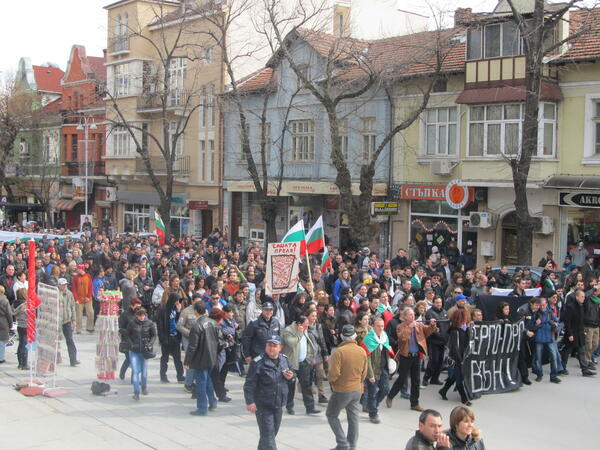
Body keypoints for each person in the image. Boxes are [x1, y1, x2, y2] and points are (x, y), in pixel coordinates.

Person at [244, 336, 294, 450]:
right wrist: (250, 401)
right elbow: (249, 384)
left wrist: (290, 377)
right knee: (268, 436)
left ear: (280, 348)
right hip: (263, 405)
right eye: (269, 345)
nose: (271, 348)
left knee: (271, 434)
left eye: (274, 346)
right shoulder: (258, 362)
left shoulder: (284, 360)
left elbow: (292, 376)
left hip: (279, 404)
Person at [386, 307, 438, 411]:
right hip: (406, 356)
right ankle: (390, 396)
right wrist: (410, 327)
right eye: (410, 315)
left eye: (413, 314)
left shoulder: (418, 325)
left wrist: (432, 325)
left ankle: (414, 403)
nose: (413, 316)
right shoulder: (400, 326)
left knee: (416, 380)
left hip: (416, 356)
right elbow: (402, 338)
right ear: (405, 316)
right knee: (401, 379)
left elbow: (428, 331)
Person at [326, 324, 368, 450]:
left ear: (342, 337)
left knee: (331, 414)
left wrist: (332, 383)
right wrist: (358, 382)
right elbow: (364, 373)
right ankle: (352, 444)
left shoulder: (339, 352)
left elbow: (333, 374)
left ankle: (342, 443)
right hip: (356, 389)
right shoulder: (361, 351)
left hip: (342, 390)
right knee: (353, 417)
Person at [185, 301, 222, 416]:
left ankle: (202, 407)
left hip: (200, 359)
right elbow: (220, 341)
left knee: (201, 382)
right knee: (208, 381)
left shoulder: (196, 326)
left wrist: (187, 361)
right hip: (212, 357)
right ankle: (212, 401)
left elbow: (192, 346)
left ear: (196, 311)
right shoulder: (213, 323)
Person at [282, 315, 320, 415]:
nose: (307, 328)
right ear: (299, 324)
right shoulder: (288, 330)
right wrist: (299, 333)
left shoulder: (305, 330)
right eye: (305, 326)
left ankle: (310, 407)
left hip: (304, 362)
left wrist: (309, 357)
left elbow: (308, 344)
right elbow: (291, 343)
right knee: (291, 385)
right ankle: (289, 406)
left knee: (306, 385)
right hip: (291, 363)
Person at [439, 309, 471, 405]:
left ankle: (443, 390)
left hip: (462, 356)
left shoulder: (464, 329)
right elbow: (455, 347)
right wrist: (460, 360)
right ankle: (464, 399)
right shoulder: (455, 331)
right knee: (459, 379)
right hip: (457, 358)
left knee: (454, 376)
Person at [363, 317, 392, 424]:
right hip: (373, 370)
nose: (380, 328)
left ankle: (373, 405)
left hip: (383, 368)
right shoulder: (368, 338)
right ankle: (373, 413)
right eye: (378, 326)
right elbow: (367, 358)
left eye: (382, 326)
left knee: (385, 389)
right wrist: (370, 374)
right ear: (373, 326)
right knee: (372, 393)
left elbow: (387, 350)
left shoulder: (384, 336)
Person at [560, 289, 596, 376]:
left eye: (584, 297)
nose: (583, 298)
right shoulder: (570, 306)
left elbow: (581, 321)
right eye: (582, 297)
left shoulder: (581, 306)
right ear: (577, 297)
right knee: (567, 350)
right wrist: (570, 334)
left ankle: (585, 370)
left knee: (581, 351)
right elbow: (567, 321)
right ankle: (562, 368)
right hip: (572, 333)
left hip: (579, 333)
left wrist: (583, 331)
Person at [124, 307, 157, 400]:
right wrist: (131, 344)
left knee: (144, 371)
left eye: (143, 315)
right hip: (134, 350)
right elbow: (127, 334)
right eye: (140, 315)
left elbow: (154, 335)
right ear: (136, 316)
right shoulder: (132, 323)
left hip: (145, 350)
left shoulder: (150, 323)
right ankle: (136, 391)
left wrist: (150, 344)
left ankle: (144, 386)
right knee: (135, 371)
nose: (142, 317)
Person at [177, 294, 204, 393]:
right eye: (196, 301)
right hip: (188, 338)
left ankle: (196, 382)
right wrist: (190, 333)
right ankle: (188, 383)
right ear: (192, 301)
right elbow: (179, 326)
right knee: (190, 360)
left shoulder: (203, 310)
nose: (198, 303)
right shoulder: (185, 312)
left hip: (200, 338)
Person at [156, 293, 184, 383]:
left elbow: (180, 322)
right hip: (166, 337)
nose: (178, 303)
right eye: (176, 301)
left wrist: (179, 311)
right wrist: (162, 338)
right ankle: (163, 375)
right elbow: (159, 325)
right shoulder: (163, 310)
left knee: (178, 359)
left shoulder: (177, 309)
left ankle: (180, 375)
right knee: (165, 358)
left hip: (175, 337)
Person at [57, 278, 79, 367]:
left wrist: (74, 320)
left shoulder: (69, 294)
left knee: (70, 340)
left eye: (65, 284)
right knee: (56, 340)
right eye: (63, 284)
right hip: (57, 320)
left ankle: (73, 359)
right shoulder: (55, 293)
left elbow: (73, 307)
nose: (65, 286)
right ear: (58, 285)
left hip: (67, 320)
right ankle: (56, 358)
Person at [118, 298, 142, 380]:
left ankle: (133, 378)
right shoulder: (125, 314)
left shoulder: (140, 314)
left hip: (137, 341)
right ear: (132, 305)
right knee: (130, 359)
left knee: (134, 360)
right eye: (137, 306)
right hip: (127, 340)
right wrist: (129, 332)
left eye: (139, 307)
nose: (138, 308)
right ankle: (123, 372)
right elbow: (120, 328)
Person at [72, 264, 94, 333]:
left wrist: (89, 296)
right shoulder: (76, 278)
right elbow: (74, 289)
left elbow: (91, 287)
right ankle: (78, 329)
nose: (78, 270)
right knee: (79, 314)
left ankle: (90, 328)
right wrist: (76, 299)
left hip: (88, 298)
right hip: (79, 299)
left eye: (79, 268)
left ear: (82, 269)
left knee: (90, 313)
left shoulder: (88, 276)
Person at [12, 288, 28, 369]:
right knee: (25, 345)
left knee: (20, 343)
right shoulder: (24, 305)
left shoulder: (15, 304)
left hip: (20, 325)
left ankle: (20, 363)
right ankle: (24, 363)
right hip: (26, 325)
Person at [0, 285, 12, 363]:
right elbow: (8, 313)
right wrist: (11, 324)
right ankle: (1, 358)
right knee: (2, 341)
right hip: (3, 322)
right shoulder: (4, 300)